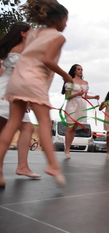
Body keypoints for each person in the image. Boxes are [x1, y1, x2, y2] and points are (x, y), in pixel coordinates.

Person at [0, 0, 72, 187]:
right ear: (58, 19)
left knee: (12, 124)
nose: (66, 24)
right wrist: (66, 76)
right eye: (66, 20)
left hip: (16, 80)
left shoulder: (34, 33)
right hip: (34, 80)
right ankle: (53, 166)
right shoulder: (58, 37)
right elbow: (47, 60)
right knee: (45, 123)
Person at [0, 22, 41, 178]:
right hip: (9, 92)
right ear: (23, 33)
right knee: (22, 128)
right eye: (31, 30)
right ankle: (19, 167)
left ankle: (22, 166)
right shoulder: (18, 51)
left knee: (25, 128)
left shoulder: (20, 50)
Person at [61, 64, 99, 158]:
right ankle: (66, 149)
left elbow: (85, 97)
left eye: (81, 69)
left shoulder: (85, 82)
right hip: (72, 104)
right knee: (70, 127)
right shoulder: (70, 82)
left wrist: (94, 97)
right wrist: (77, 93)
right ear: (74, 71)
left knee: (74, 129)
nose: (80, 71)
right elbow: (67, 96)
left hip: (81, 105)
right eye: (78, 69)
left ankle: (69, 148)